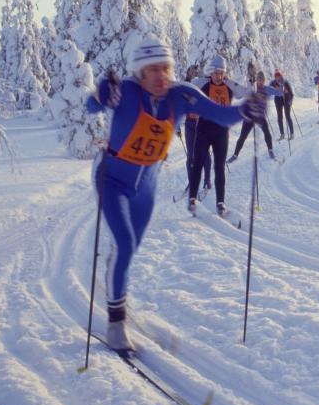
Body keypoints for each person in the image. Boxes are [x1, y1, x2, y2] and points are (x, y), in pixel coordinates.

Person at [86, 36, 266, 351]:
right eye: (153, 70)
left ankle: (116, 269)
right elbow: (93, 104)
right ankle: (116, 325)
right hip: (111, 179)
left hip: (146, 187)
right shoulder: (126, 91)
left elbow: (221, 114)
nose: (161, 76)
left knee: (126, 250)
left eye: (166, 68)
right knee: (125, 245)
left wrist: (246, 109)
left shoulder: (181, 95)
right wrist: (101, 92)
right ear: (140, 73)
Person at [187, 56, 252, 217]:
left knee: (219, 166)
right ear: (211, 72)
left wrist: (252, 78)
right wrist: (188, 77)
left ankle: (220, 203)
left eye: (222, 73)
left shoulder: (230, 84)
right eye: (216, 73)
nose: (219, 76)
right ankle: (192, 198)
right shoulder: (202, 83)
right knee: (198, 163)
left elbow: (248, 93)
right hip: (203, 128)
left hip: (222, 131)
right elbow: (185, 89)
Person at [228, 70, 283, 162]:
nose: (261, 82)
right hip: (249, 117)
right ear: (257, 80)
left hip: (260, 116)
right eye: (260, 80)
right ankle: (235, 155)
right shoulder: (252, 88)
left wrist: (281, 85)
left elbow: (279, 93)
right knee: (243, 136)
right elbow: (239, 96)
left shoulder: (267, 89)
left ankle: (270, 151)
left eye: (263, 80)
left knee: (267, 132)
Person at [182, 66, 211, 197]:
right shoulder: (189, 89)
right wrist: (188, 77)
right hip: (189, 123)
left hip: (203, 124)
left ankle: (207, 180)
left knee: (205, 153)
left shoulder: (206, 88)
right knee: (190, 156)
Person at [269, 70, 294, 140]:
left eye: (279, 76)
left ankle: (292, 133)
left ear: (281, 76)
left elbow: (291, 94)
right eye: (276, 76)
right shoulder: (273, 83)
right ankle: (282, 134)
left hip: (286, 99)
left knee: (287, 116)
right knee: (279, 117)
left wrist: (290, 101)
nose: (277, 78)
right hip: (278, 100)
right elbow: (267, 90)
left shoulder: (285, 82)